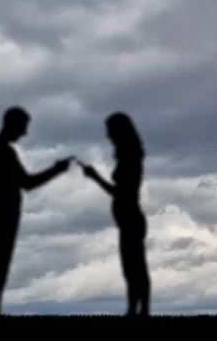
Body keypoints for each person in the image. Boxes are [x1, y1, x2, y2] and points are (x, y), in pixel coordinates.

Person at [0, 106, 72, 317]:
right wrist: (56, 170)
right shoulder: (2, 151)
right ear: (12, 125)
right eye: (23, 128)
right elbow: (28, 182)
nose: (24, 133)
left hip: (1, 216)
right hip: (3, 217)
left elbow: (24, 182)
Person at [77, 112, 151, 317]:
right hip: (127, 220)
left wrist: (95, 177)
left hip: (131, 220)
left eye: (110, 132)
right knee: (132, 269)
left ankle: (139, 310)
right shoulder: (130, 157)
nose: (108, 136)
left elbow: (121, 193)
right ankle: (135, 309)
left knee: (135, 268)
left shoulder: (131, 159)